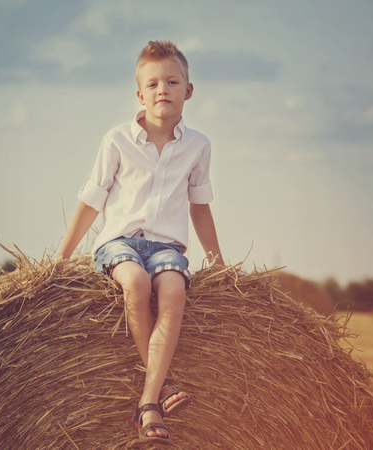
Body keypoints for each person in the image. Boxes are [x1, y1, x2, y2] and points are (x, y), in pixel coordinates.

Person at [58, 40, 224, 445]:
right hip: (121, 243)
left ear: (188, 89)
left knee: (172, 291)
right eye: (152, 84)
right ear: (140, 94)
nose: (162, 89)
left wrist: (216, 260)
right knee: (136, 283)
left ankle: (148, 400)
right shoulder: (117, 139)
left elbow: (199, 207)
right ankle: (160, 390)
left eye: (171, 81)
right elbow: (91, 200)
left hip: (168, 247)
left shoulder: (198, 145)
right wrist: (61, 258)